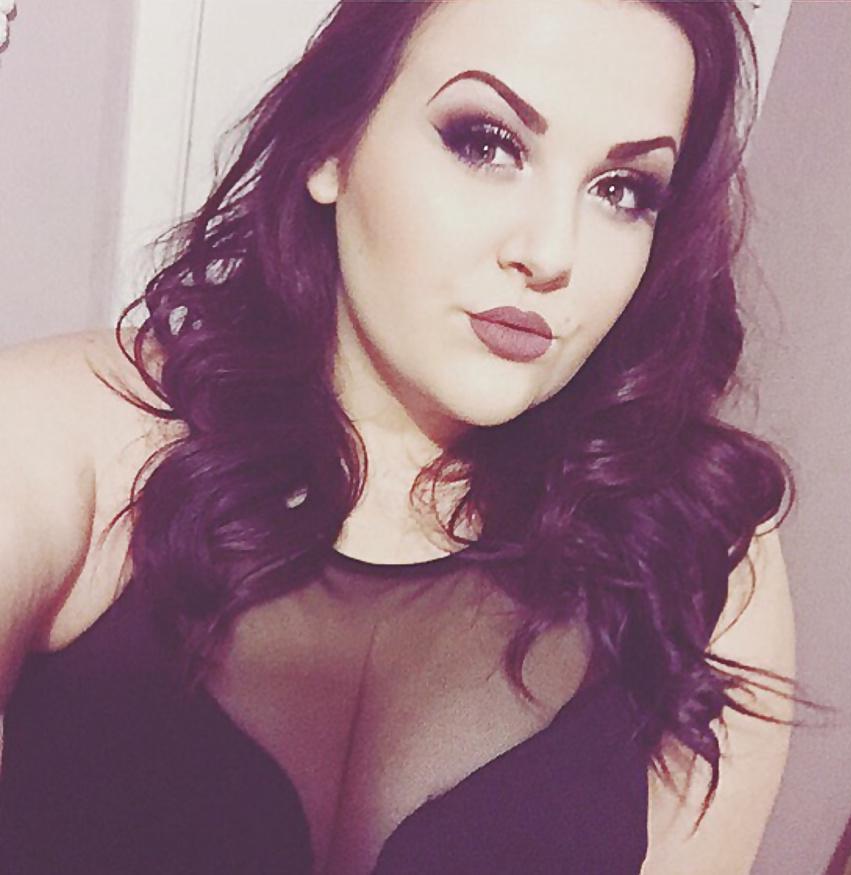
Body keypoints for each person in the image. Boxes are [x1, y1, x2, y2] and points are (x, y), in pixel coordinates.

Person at [0, 1, 807, 872]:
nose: (551, 252)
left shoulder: (706, 552)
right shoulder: (67, 437)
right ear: (331, 144)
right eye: (486, 143)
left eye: (622, 190)